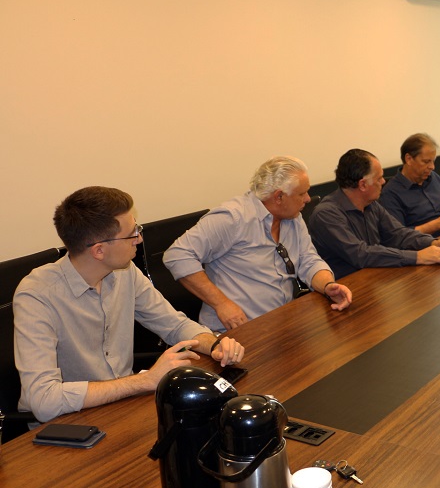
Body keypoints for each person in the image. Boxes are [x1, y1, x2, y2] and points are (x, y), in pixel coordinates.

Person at [14, 186, 244, 424]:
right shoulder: (37, 295)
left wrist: (214, 344)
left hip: (121, 408)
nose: (139, 238)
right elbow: (43, 401)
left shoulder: (124, 272)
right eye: (132, 233)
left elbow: (173, 325)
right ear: (99, 250)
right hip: (67, 425)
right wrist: (144, 381)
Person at [164, 156, 351, 333]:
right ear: (279, 197)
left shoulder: (293, 218)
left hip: (280, 326)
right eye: (302, 193)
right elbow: (178, 255)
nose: (308, 199)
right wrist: (221, 303)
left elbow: (308, 260)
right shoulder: (233, 218)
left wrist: (328, 285)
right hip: (235, 334)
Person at [308, 149, 440, 279]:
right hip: (344, 288)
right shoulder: (326, 214)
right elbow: (361, 254)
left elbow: (398, 234)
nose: (384, 182)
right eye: (379, 178)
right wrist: (417, 257)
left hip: (375, 278)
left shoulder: (371, 205)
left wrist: (431, 242)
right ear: (363, 185)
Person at [379, 133, 440, 236]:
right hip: (425, 246)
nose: (432, 167)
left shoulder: (434, 177)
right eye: (426, 161)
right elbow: (398, 236)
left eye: (433, 161)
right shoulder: (390, 193)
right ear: (409, 159)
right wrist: (436, 225)